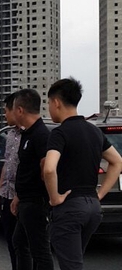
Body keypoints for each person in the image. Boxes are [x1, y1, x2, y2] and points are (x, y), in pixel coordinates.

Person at [43, 78, 122, 270]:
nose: (48, 108)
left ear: (56, 102)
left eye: (48, 103)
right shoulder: (94, 131)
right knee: (75, 260)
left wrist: (54, 198)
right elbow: (117, 161)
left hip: (69, 208)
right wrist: (100, 194)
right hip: (93, 208)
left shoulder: (59, 133)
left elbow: (49, 168)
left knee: (71, 266)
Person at [11, 89, 54, 270]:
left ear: (20, 110)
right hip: (26, 200)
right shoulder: (27, 133)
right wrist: (18, 196)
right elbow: (27, 168)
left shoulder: (41, 134)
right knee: (19, 242)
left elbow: (47, 169)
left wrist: (48, 201)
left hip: (36, 202)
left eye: (13, 109)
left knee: (40, 251)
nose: (12, 113)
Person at [0, 92, 20, 270]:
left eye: (6, 111)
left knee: (23, 244)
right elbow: (7, 165)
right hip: (6, 194)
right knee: (10, 239)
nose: (4, 115)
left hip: (22, 198)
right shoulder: (9, 135)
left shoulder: (32, 135)